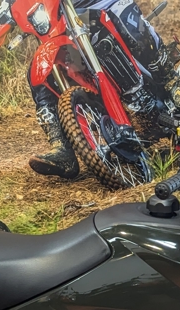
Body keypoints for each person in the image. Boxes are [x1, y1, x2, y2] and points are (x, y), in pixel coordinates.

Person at [28, 0, 165, 179]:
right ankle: (61, 148)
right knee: (38, 69)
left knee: (130, 30)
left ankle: (170, 82)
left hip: (94, 5)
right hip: (56, 22)